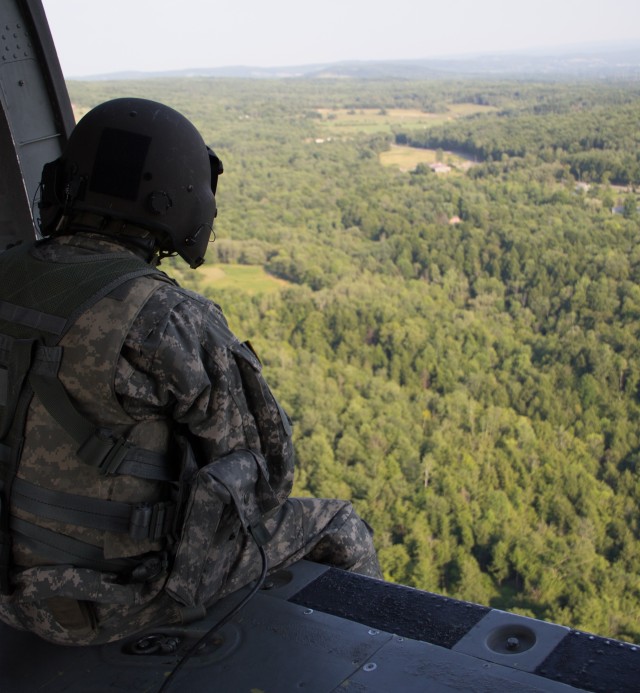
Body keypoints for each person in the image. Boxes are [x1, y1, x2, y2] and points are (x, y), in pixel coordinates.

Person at [0, 98, 381, 646]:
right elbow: (268, 476)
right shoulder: (166, 318)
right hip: (108, 606)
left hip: (6, 593)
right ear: (180, 202)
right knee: (337, 523)